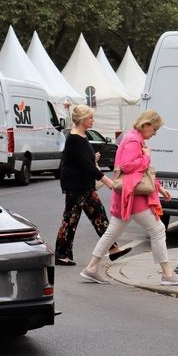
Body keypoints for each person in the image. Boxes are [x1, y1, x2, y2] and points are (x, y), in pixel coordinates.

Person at [80, 110, 178, 285]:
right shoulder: (134, 140)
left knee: (111, 234)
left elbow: (137, 173)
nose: (155, 133)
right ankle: (167, 274)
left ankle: (91, 268)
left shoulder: (131, 138)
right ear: (146, 125)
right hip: (133, 198)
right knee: (157, 230)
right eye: (154, 129)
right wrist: (147, 158)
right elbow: (128, 167)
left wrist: (159, 187)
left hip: (125, 197)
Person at [54, 105, 131, 266]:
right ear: (82, 120)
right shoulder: (75, 139)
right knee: (70, 220)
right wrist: (107, 181)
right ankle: (61, 254)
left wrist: (93, 158)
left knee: (99, 216)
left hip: (86, 187)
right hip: (76, 187)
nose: (93, 120)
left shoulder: (82, 136)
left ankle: (113, 248)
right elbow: (85, 166)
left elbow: (84, 161)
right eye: (90, 118)